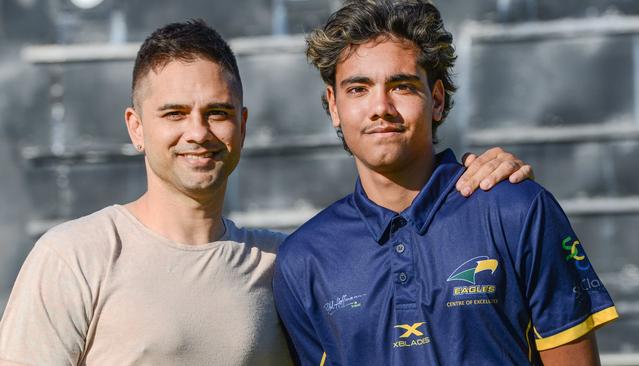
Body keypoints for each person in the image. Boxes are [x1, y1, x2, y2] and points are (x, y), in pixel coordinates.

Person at [0, 20, 532, 365]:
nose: (198, 132)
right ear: (136, 127)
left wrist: (483, 173)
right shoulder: (75, 256)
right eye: (173, 114)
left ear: (243, 125)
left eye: (217, 113)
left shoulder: (285, 263)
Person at [273, 1, 618, 365]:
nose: (381, 107)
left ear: (436, 100)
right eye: (358, 89)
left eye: (401, 86)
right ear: (334, 107)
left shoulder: (518, 210)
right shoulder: (302, 258)